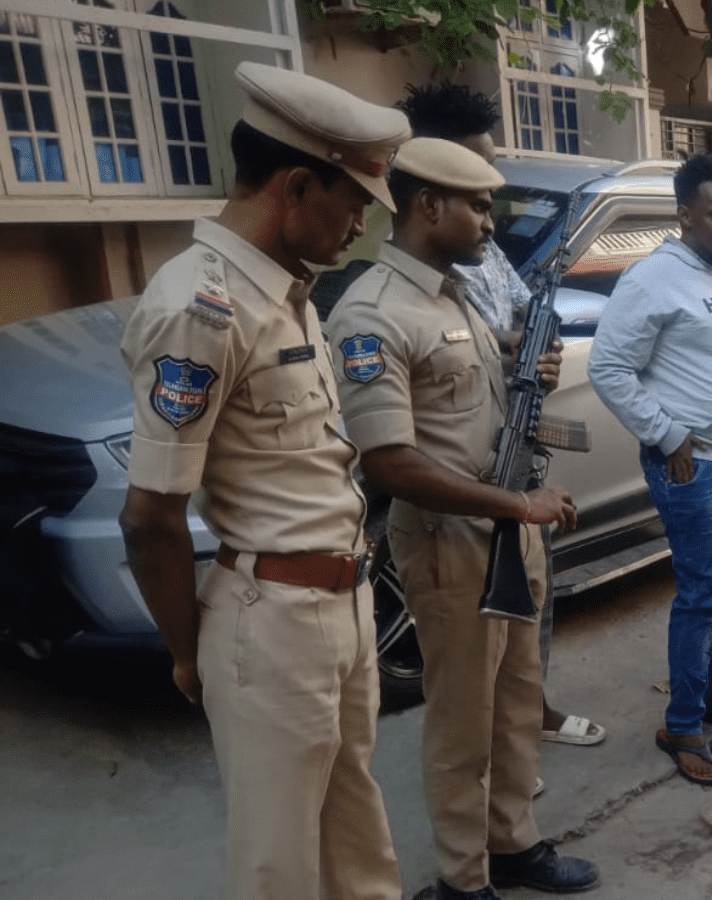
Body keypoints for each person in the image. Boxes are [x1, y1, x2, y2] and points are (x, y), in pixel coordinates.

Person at [117, 62, 410, 900]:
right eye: (354, 202)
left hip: (343, 602)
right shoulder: (200, 308)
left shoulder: (289, 294)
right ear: (295, 188)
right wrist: (187, 651)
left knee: (358, 837)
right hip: (272, 620)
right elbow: (150, 517)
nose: (360, 225)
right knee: (277, 864)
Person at [326, 137, 599, 900]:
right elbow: (390, 464)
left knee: (516, 704)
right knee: (462, 723)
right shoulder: (372, 313)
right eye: (477, 207)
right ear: (426, 205)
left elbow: (466, 404)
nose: (489, 222)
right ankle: (463, 877)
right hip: (452, 545)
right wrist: (518, 505)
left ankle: (513, 844)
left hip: (509, 530)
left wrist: (522, 366)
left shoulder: (453, 297)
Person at [399, 82, 604, 750]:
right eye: (478, 175)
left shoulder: (482, 252)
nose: (492, 195)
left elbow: (522, 318)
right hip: (458, 481)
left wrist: (532, 350)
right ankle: (483, 758)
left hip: (516, 448)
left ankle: (527, 717)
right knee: (467, 653)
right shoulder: (411, 266)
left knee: (527, 608)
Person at [588, 155, 712, 787]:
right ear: (684, 214)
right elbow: (608, 367)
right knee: (702, 596)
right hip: (699, 470)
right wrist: (666, 433)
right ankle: (681, 725)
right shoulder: (653, 279)